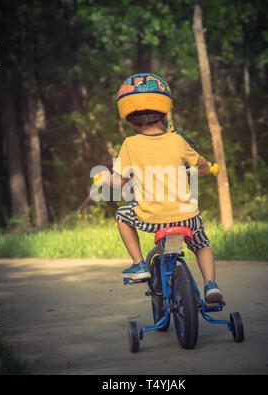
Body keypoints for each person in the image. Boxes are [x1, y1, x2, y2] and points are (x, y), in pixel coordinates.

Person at [98, 73, 223, 303]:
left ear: (130, 120)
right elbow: (200, 164)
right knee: (202, 245)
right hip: (187, 218)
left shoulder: (129, 144)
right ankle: (210, 284)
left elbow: (121, 182)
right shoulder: (177, 140)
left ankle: (138, 264)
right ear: (165, 114)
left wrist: (103, 178)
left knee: (122, 215)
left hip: (152, 217)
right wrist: (208, 169)